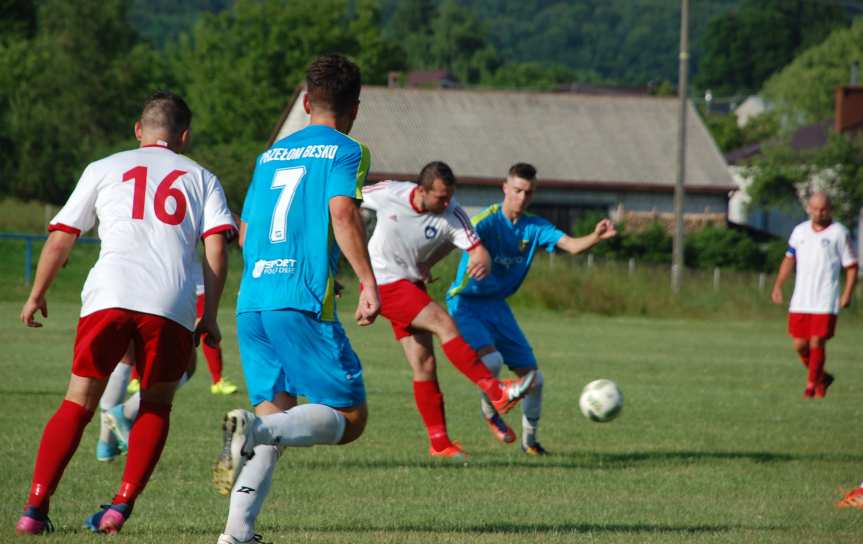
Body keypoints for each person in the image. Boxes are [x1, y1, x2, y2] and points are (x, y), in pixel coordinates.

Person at [15, 91, 236, 535]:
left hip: (108, 295)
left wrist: (37, 292)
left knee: (77, 402)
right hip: (170, 303)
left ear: (139, 130)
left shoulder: (103, 168)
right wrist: (209, 313)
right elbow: (216, 247)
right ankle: (120, 506)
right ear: (184, 136)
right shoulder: (203, 178)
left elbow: (62, 236)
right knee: (155, 404)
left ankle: (33, 510)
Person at [212, 54, 379, 544]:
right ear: (355, 108)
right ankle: (254, 431)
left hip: (254, 300)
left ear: (306, 102)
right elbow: (342, 214)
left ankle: (236, 534)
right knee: (349, 419)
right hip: (299, 300)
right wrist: (368, 280)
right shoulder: (348, 150)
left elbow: (247, 233)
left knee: (275, 417)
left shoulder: (269, 156)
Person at [360, 161, 535, 459]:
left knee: (424, 364)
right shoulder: (389, 192)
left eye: (449, 196)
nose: (446, 203)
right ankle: (496, 391)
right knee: (445, 324)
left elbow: (475, 246)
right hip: (384, 284)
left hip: (411, 285)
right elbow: (344, 198)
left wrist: (482, 259)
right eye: (440, 197)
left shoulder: (451, 212)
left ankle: (439, 442)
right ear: (421, 190)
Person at [446, 163, 616, 455]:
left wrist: (595, 237)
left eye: (528, 192)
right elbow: (452, 238)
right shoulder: (485, 221)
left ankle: (531, 442)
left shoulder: (534, 227)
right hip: (466, 303)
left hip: (498, 307)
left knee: (535, 380)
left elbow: (572, 246)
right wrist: (425, 265)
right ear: (505, 188)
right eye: (517, 191)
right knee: (493, 362)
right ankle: (490, 411)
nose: (522, 198)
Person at [771, 192, 857, 398]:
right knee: (800, 345)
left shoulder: (839, 233)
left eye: (824, 209)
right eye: (816, 209)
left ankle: (810, 387)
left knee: (817, 341)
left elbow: (852, 266)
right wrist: (778, 285)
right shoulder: (799, 232)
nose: (820, 213)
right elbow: (789, 258)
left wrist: (847, 293)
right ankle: (822, 377)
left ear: (830, 209)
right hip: (801, 298)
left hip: (826, 298)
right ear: (809, 208)